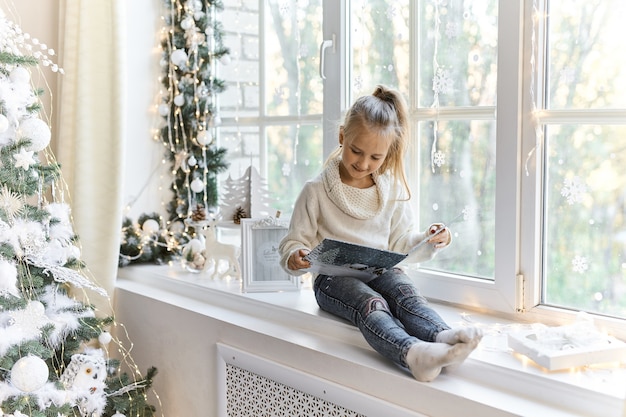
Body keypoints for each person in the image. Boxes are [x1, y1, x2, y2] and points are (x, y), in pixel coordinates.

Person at [279, 85, 482, 382]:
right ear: (341, 137)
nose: (362, 163)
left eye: (375, 157)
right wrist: (296, 256)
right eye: (356, 151)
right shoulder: (316, 191)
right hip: (332, 282)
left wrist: (429, 238)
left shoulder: (392, 192)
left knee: (404, 290)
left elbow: (400, 244)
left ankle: (442, 337)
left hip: (378, 272)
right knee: (371, 303)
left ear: (387, 154)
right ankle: (412, 354)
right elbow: (294, 241)